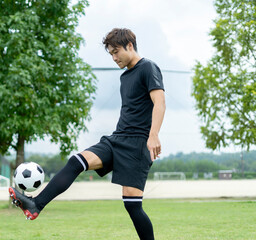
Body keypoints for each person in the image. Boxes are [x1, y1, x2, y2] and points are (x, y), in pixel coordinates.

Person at [9, 28, 166, 240]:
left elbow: (160, 102)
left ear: (130, 46)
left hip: (137, 145)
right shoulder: (125, 76)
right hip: (117, 139)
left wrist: (153, 134)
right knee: (76, 162)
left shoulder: (148, 67)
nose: (114, 57)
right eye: (110, 53)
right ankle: (36, 204)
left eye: (116, 51)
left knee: (132, 206)